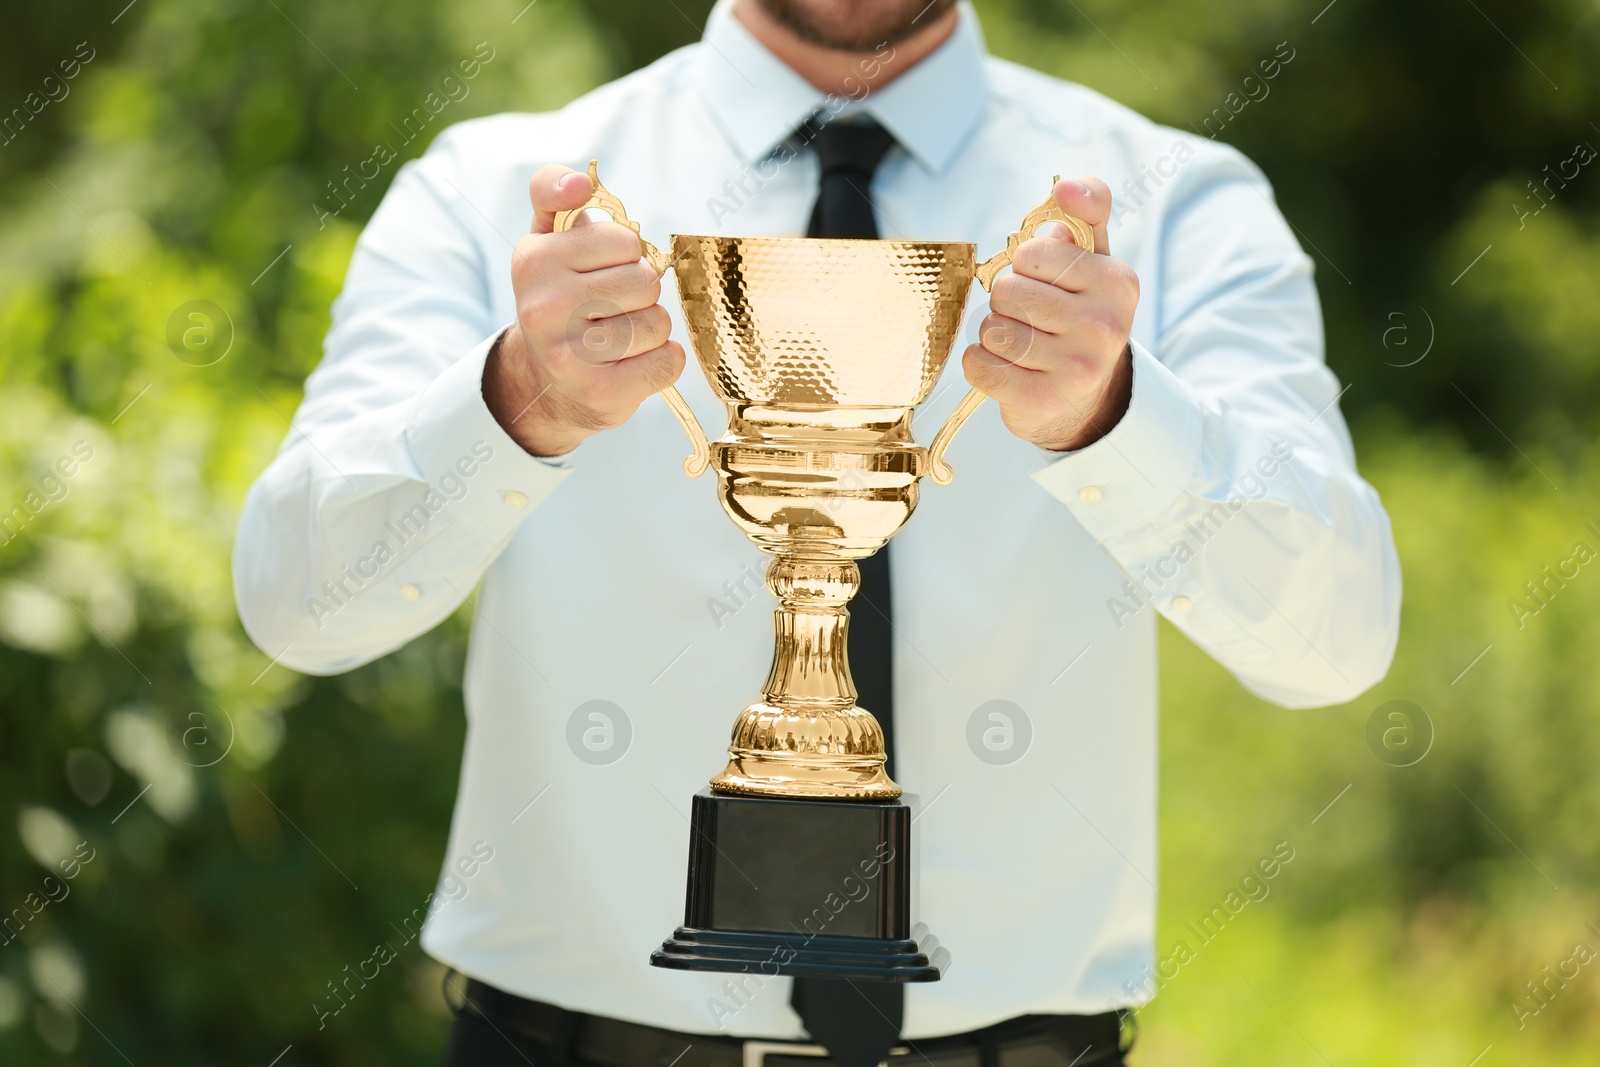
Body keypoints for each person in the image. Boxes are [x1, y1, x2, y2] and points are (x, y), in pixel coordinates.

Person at [233, 0, 1401, 1064]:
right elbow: (301, 607)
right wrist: (510, 403)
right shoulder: (488, 190)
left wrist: (1120, 419)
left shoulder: (1179, 200)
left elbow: (1333, 643)